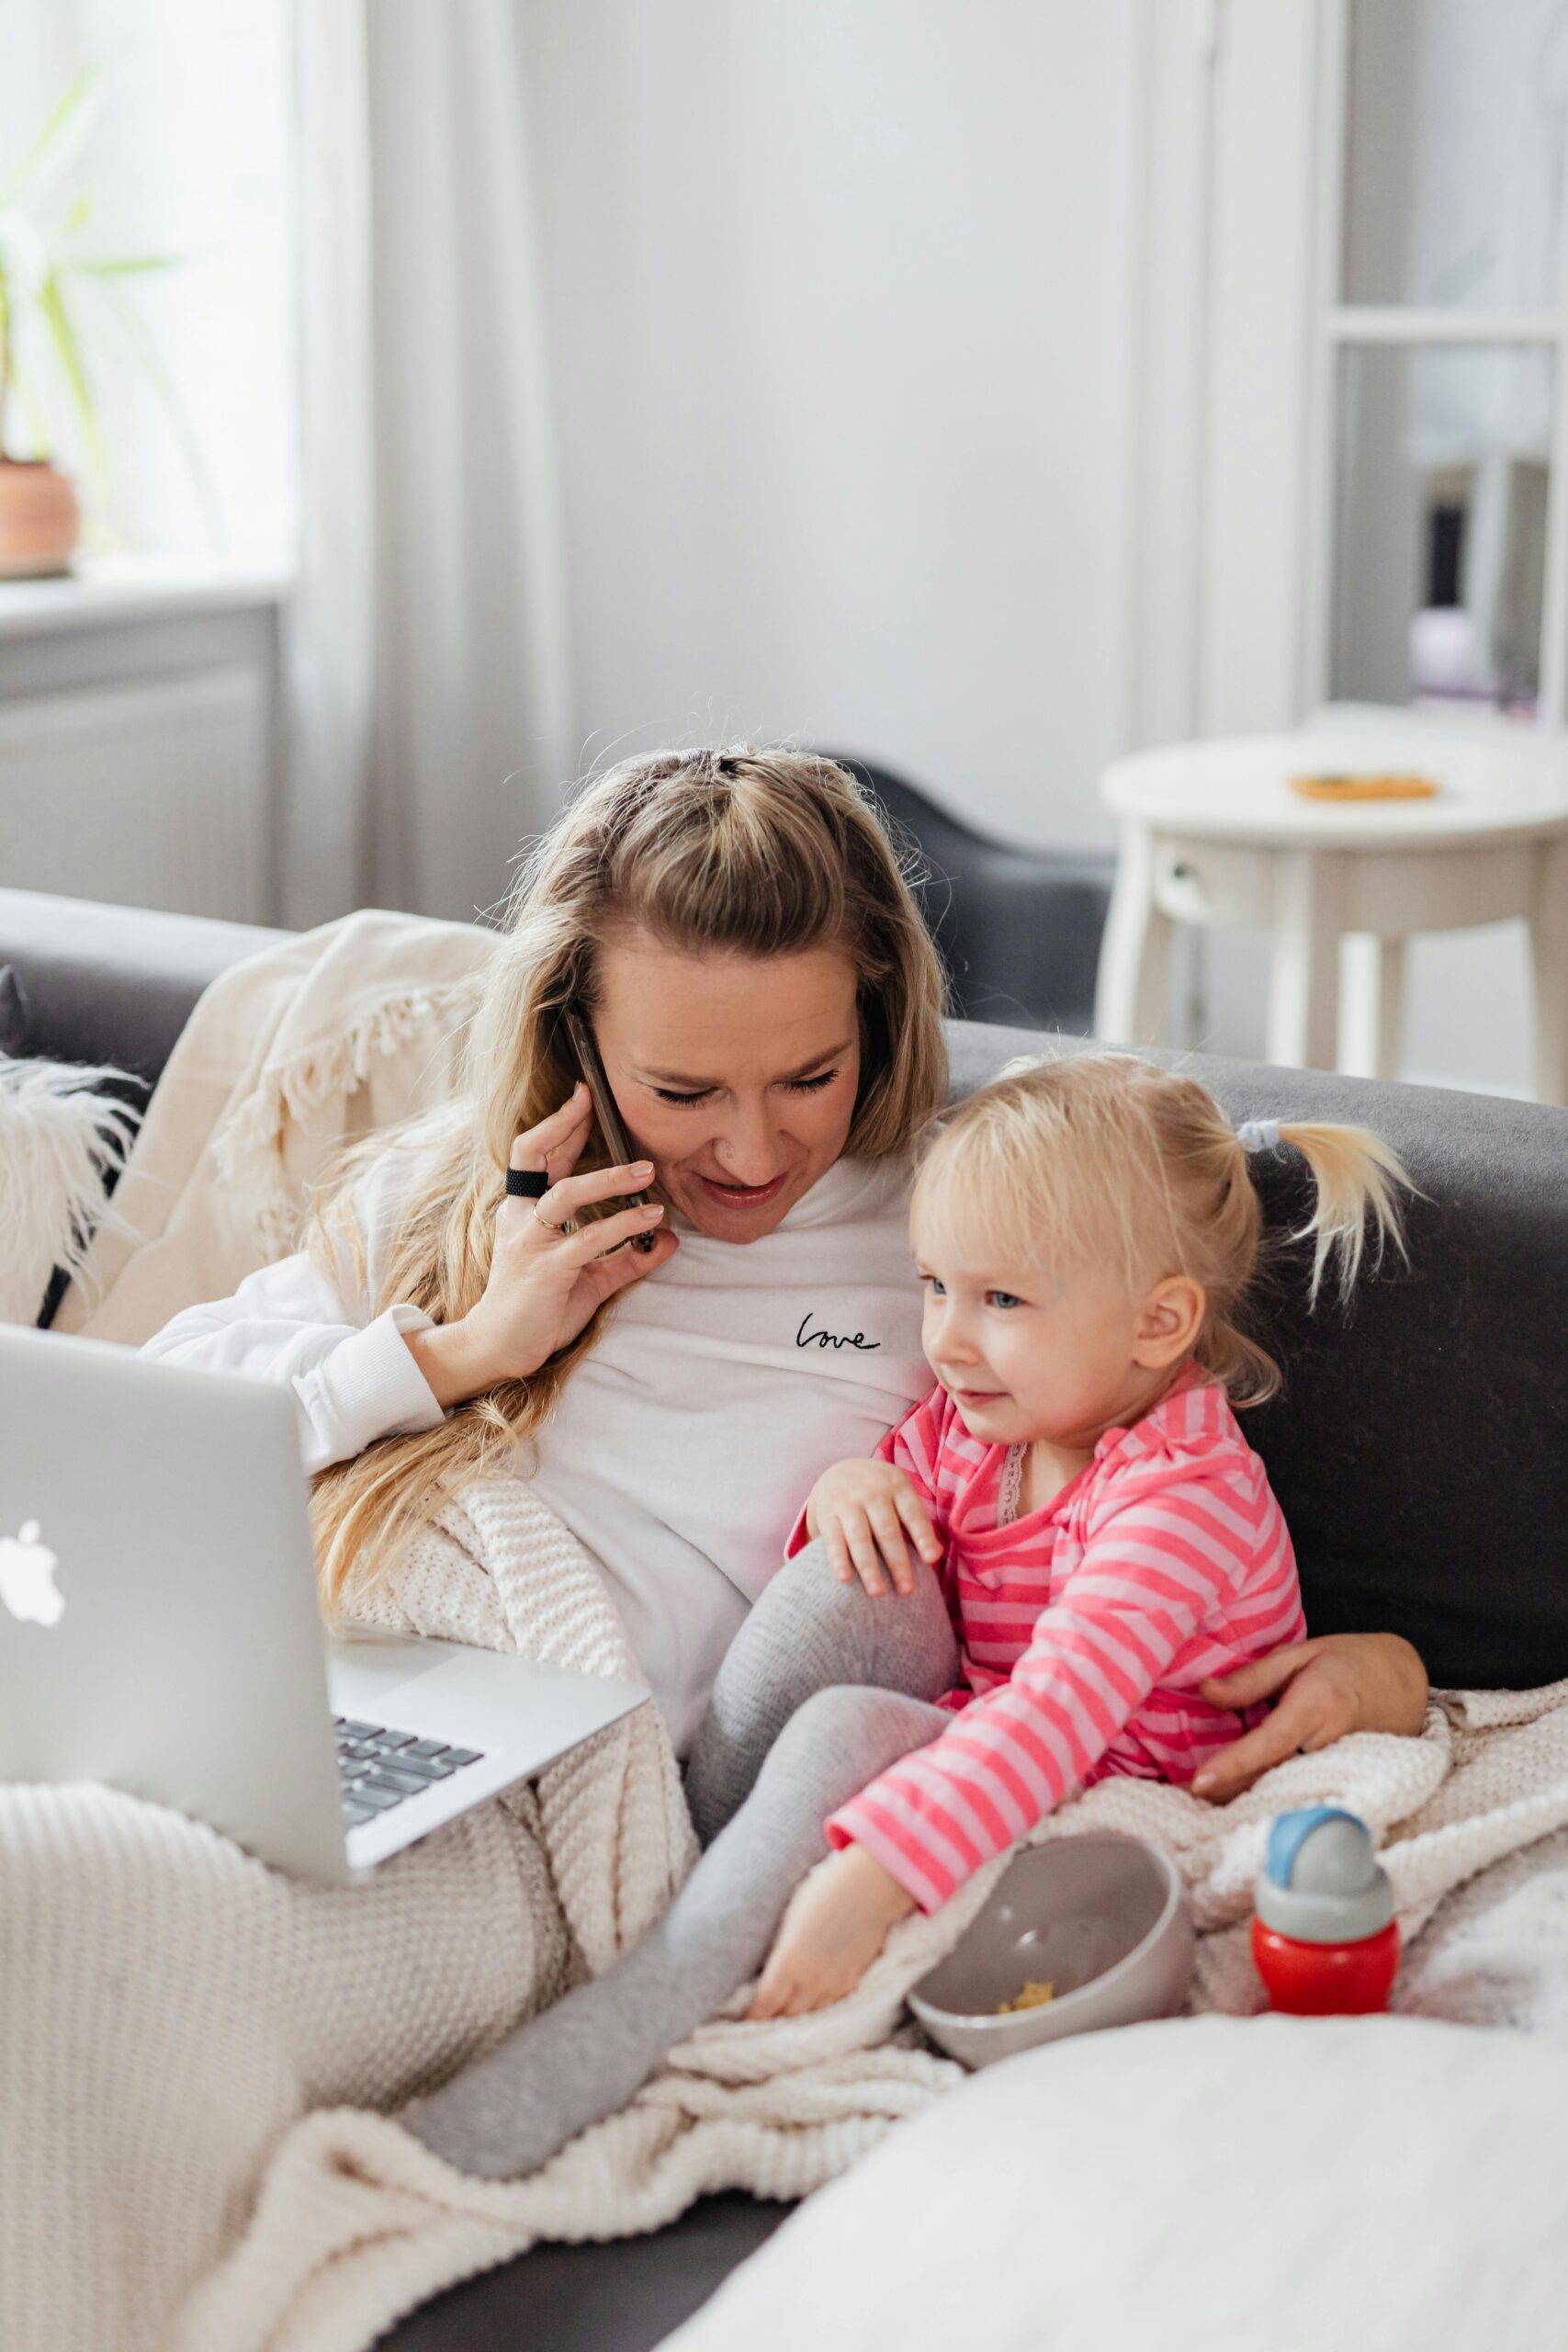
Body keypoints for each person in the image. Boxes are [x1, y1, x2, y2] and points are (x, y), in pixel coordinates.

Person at [142, 752, 1427, 2117]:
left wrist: (1385, 1663)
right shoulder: (470, 1198)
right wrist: (468, 1348)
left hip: (578, 1800)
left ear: (875, 1014)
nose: (752, 1154)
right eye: (684, 1091)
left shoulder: (960, 1229)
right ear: (580, 1037)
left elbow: (1126, 1510)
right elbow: (154, 1428)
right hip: (319, 1694)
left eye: (808, 1077)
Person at [402, 1049, 1411, 2175]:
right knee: (859, 1566)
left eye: (1002, 1300)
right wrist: (851, 1485)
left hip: (1109, 1791)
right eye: (935, 1286)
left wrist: (873, 1881)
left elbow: (1051, 1714)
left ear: (1158, 1322)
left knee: (849, 1729)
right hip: (981, 1744)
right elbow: (893, 1489)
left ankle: (639, 2005)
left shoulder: (1182, 1501)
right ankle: (685, 1895)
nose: (948, 1339)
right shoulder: (982, 1424)